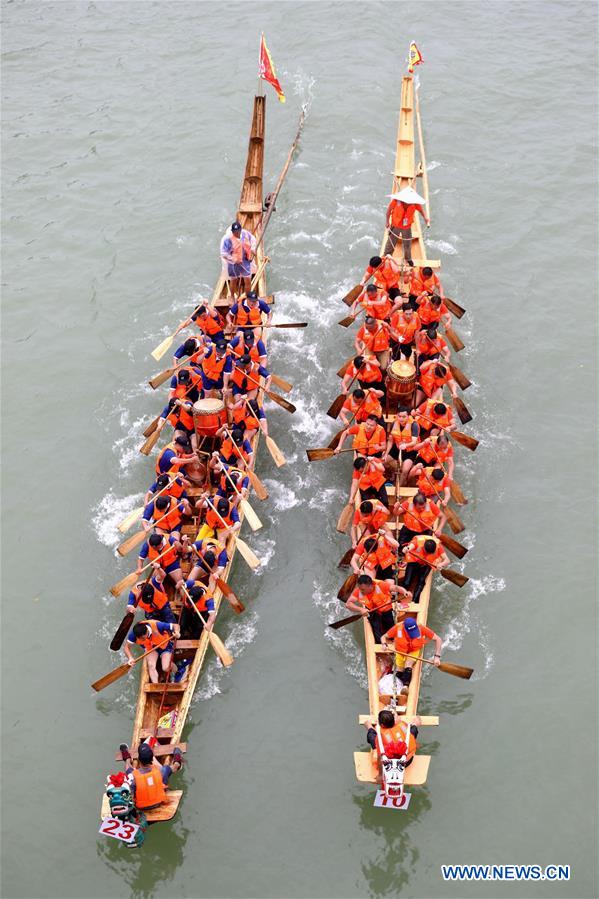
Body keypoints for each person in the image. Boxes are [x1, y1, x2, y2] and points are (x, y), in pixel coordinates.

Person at [119, 739, 183, 811]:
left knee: (128, 769)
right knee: (167, 769)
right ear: (152, 758)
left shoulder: (133, 775)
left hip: (141, 807)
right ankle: (178, 758)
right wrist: (177, 756)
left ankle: (127, 759)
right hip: (158, 802)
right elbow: (175, 767)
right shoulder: (161, 771)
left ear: (139, 759)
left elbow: (131, 795)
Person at [345, 574, 410, 642]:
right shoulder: (358, 591)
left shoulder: (381, 585)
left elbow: (396, 588)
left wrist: (405, 592)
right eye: (360, 588)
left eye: (363, 589)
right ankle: (379, 643)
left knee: (390, 625)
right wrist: (361, 609)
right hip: (372, 611)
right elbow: (348, 604)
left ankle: (393, 639)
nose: (361, 591)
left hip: (386, 609)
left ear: (370, 586)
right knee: (376, 631)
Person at [381, 616, 442, 687]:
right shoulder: (398, 628)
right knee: (399, 672)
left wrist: (437, 657)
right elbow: (383, 637)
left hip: (414, 650)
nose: (413, 635)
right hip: (401, 651)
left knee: (408, 663)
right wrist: (384, 644)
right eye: (411, 632)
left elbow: (438, 639)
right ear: (405, 629)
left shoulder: (421, 628)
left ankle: (405, 687)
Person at [124, 619, 180, 684]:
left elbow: (176, 625)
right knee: (151, 665)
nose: (141, 640)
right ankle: (156, 686)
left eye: (143, 638)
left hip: (165, 646)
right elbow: (126, 647)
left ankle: (177, 671)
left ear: (147, 631)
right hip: (150, 648)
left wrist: (177, 632)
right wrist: (130, 658)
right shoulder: (133, 634)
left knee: (165, 667)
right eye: (140, 639)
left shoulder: (158, 625)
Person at [401, 535, 450, 603]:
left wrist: (441, 564)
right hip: (414, 561)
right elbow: (410, 547)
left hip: (426, 564)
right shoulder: (418, 541)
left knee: (421, 581)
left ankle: (414, 601)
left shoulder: (439, 547)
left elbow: (447, 560)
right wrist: (407, 548)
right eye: (426, 552)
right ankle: (401, 595)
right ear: (423, 547)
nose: (427, 554)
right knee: (407, 582)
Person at [385, 191, 430, 262]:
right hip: (395, 225)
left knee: (407, 244)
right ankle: (386, 256)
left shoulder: (415, 203)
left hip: (407, 227)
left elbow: (421, 211)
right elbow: (388, 211)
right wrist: (387, 222)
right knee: (391, 243)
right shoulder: (395, 201)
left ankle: (408, 259)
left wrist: (425, 218)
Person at [384, 407, 420, 484]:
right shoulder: (394, 423)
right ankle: (394, 471)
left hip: (410, 450)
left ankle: (400, 485)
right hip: (397, 447)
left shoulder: (414, 425)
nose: (401, 419)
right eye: (399, 416)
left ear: (408, 416)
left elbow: (414, 442)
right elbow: (390, 441)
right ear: (397, 416)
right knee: (385, 461)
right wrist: (386, 453)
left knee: (405, 470)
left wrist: (406, 445)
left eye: (404, 417)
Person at [220, 221, 256, 296]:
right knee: (234, 280)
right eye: (234, 232)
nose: (236, 233)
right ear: (232, 231)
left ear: (240, 230)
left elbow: (253, 239)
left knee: (247, 280)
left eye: (238, 231)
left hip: (245, 261)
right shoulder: (226, 239)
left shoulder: (245, 234)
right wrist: (233, 259)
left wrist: (253, 248)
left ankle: (247, 297)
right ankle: (232, 296)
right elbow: (223, 253)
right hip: (233, 264)